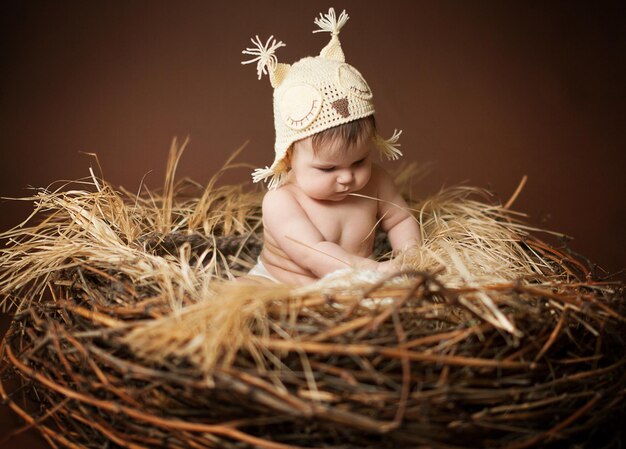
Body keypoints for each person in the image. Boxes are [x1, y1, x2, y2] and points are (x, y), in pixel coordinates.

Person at [241, 8, 421, 285]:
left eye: (359, 161)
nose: (348, 177)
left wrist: (408, 258)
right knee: (241, 294)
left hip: (352, 282)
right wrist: (372, 271)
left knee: (399, 297)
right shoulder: (282, 201)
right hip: (280, 282)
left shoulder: (376, 181)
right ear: (289, 157)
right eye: (327, 168)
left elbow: (400, 221)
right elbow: (314, 254)